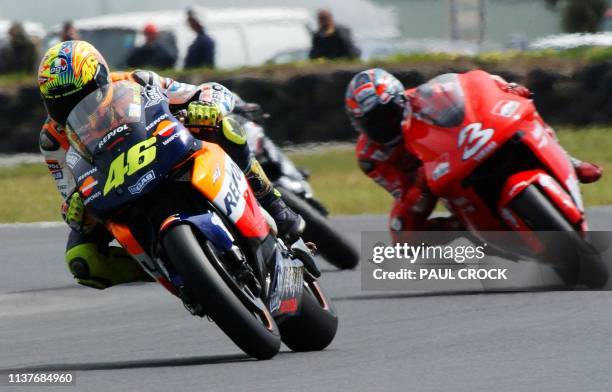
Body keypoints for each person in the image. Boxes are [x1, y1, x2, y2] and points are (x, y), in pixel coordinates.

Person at [37, 40, 304, 292]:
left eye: (79, 96)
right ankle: (171, 269)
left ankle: (274, 204)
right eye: (57, 103)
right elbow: (70, 193)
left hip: (168, 148)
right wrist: (72, 208)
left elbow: (209, 91)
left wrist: (206, 107)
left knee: (228, 128)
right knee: (81, 260)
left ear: (101, 79)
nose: (70, 107)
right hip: (116, 185)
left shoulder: (138, 81)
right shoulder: (52, 140)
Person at [345, 68, 603, 242]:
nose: (384, 125)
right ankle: (463, 226)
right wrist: (420, 186)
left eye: (389, 114)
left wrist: (506, 88)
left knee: (524, 112)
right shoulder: (370, 156)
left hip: (464, 147)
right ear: (360, 126)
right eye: (373, 123)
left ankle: (569, 162)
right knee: (402, 234)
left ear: (400, 100)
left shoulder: (424, 98)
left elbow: (476, 87)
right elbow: (400, 191)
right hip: (433, 179)